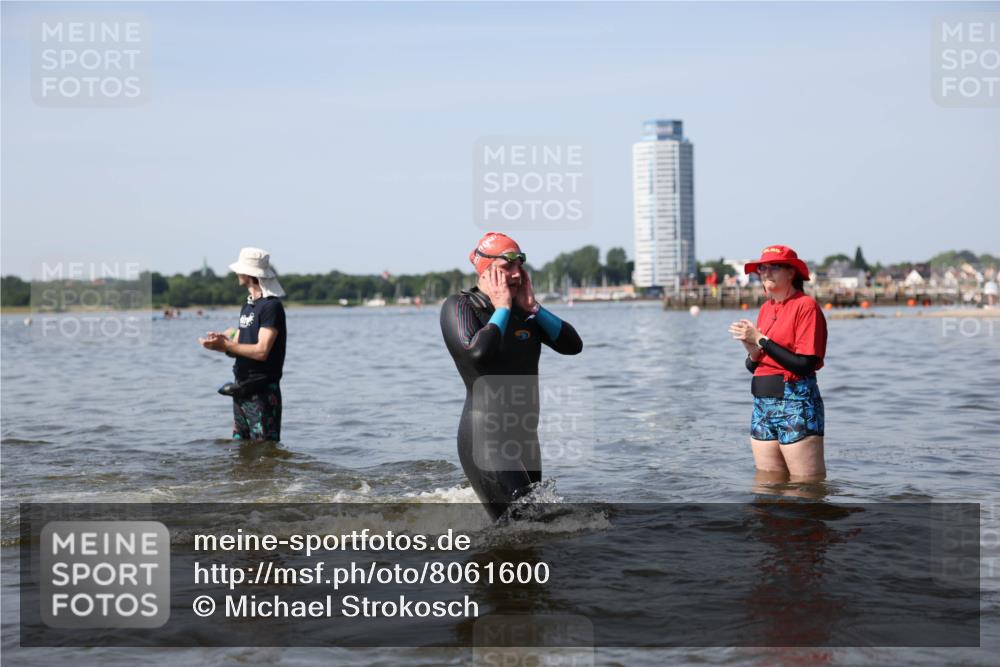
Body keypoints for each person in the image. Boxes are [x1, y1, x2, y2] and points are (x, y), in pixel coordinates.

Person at [440, 232, 583, 520]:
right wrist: (502, 308)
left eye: (521, 265)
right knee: (530, 523)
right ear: (485, 268)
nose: (517, 274)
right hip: (486, 440)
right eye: (508, 266)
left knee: (530, 534)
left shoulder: (525, 313)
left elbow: (573, 346)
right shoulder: (461, 307)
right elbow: (476, 353)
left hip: (526, 440)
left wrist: (534, 309)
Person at [728, 245, 827, 479]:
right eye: (762, 268)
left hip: (795, 403)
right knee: (766, 487)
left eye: (774, 267)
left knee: (806, 487)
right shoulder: (765, 308)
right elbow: (756, 365)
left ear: (791, 272)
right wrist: (752, 348)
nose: (766, 272)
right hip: (762, 405)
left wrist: (761, 340)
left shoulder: (806, 306)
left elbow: (805, 364)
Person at [199, 247, 287, 442]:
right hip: (242, 387)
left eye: (239, 269)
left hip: (262, 391)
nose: (236, 273)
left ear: (248, 274)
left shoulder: (271, 306)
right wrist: (221, 342)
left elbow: (262, 351)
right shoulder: (248, 306)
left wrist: (227, 347)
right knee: (242, 449)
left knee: (265, 451)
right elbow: (239, 344)